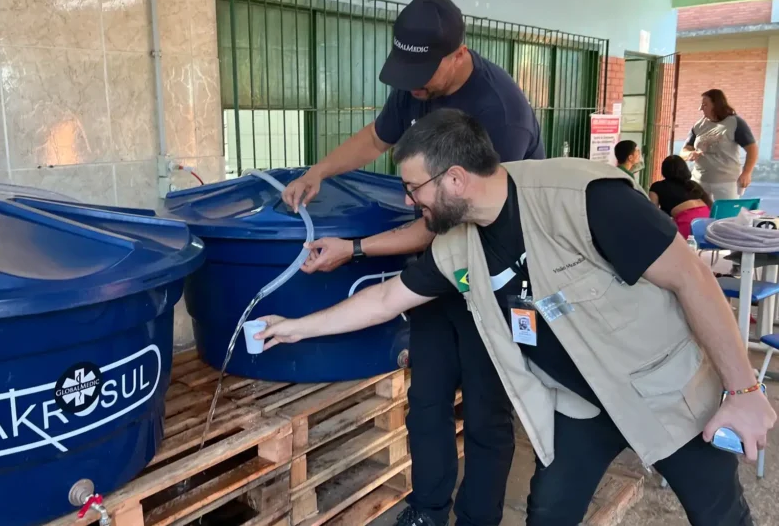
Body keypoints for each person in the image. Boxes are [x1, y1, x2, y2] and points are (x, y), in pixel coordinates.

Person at [258, 109, 775, 526]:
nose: (408, 200)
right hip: (582, 405)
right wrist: (295, 327)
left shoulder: (586, 198)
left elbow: (694, 278)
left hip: (665, 391)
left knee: (719, 514)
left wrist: (745, 392)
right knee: (548, 512)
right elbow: (386, 299)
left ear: (455, 179)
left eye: (413, 188)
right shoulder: (458, 243)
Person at [281, 0, 544, 526]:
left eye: (423, 75)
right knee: (426, 401)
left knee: (487, 416)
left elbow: (440, 224)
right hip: (441, 263)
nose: (414, 87)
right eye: (407, 74)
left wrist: (354, 249)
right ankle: (426, 511)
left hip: (492, 274)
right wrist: (320, 171)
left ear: (457, 54)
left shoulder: (499, 113)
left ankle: (477, 517)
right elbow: (379, 136)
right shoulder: (415, 83)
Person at [681, 89, 759, 200]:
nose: (701, 108)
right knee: (700, 213)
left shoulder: (734, 123)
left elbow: (752, 149)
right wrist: (689, 154)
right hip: (699, 180)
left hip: (727, 182)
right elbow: (684, 151)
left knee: (725, 216)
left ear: (716, 105)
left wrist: (747, 172)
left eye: (705, 105)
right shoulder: (699, 125)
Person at [649, 155, 712, 238]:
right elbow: (709, 204)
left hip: (686, 222)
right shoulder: (693, 184)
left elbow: (652, 213)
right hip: (706, 222)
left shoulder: (657, 186)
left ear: (664, 170)